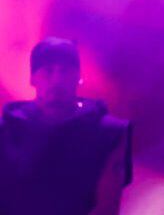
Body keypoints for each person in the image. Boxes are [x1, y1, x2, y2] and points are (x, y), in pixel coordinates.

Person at [0, 37, 132, 215]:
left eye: (65, 71)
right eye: (48, 71)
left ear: (78, 77)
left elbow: (107, 206)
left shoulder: (108, 134)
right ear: (33, 78)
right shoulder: (7, 131)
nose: (57, 80)